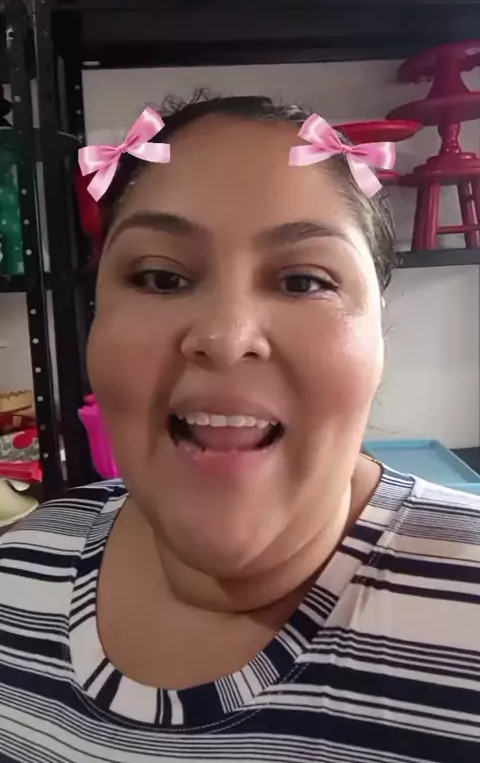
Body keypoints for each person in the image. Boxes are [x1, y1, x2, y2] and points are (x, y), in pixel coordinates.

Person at [1, 95, 479, 763]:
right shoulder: (18, 569)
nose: (225, 338)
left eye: (304, 281)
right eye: (160, 278)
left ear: (380, 340)